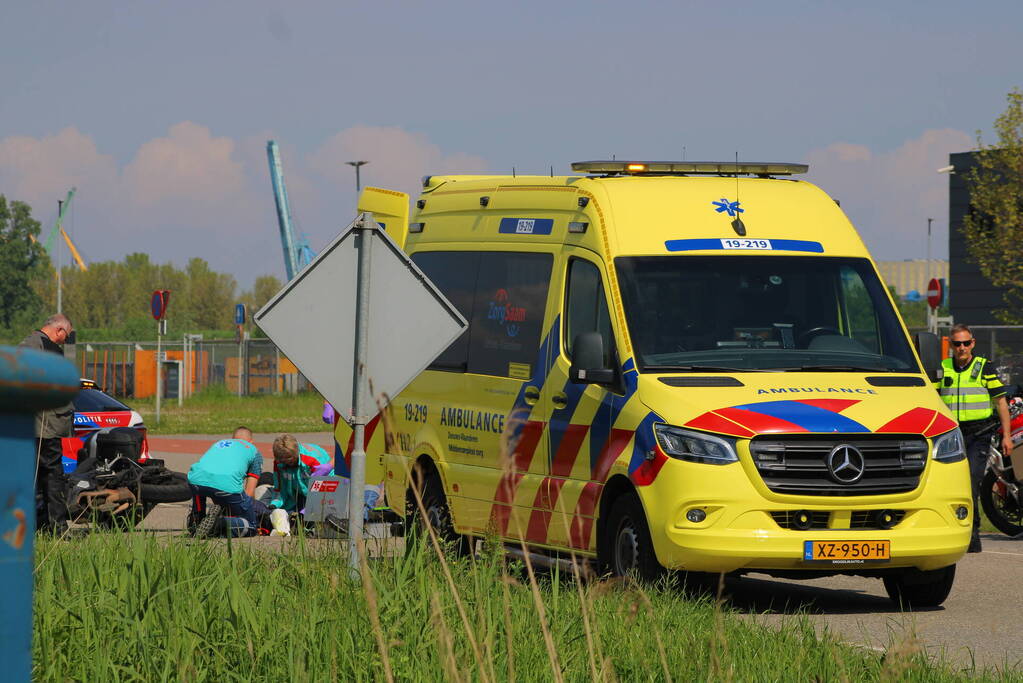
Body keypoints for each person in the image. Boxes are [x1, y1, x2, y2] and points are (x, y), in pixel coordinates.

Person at [936, 324, 1013, 553]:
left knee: (970, 479)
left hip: (979, 434)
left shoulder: (984, 367)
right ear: (951, 345)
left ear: (973, 343)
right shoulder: (943, 368)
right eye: (957, 343)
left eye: (966, 343)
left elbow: (1001, 402)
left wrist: (1006, 437)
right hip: (951, 434)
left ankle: (972, 534)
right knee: (944, 484)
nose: (962, 348)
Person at [19, 313, 75, 532]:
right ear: (59, 330)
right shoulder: (33, 345)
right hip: (44, 425)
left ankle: (40, 524)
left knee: (42, 475)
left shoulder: (39, 344)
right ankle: (57, 526)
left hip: (44, 424)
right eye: (66, 336)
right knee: (52, 476)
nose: (65, 340)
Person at [187, 426, 268, 537]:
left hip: (195, 480)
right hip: (227, 486)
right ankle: (219, 524)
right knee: (251, 526)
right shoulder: (254, 451)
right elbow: (249, 493)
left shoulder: (220, 443)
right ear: (251, 442)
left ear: (233, 438)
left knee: (200, 487)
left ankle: (196, 520)